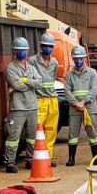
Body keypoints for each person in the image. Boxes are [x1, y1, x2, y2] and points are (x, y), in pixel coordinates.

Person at [4, 37, 41, 173]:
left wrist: (26, 81)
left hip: (32, 106)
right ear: (14, 51)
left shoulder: (31, 67)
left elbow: (39, 82)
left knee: (32, 137)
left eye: (24, 51)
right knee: (13, 137)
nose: (22, 53)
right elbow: (16, 85)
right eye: (19, 51)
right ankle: (9, 163)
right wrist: (29, 83)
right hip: (17, 107)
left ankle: (30, 160)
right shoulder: (10, 68)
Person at [64, 46, 97, 167]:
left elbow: (95, 89)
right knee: (73, 134)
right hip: (74, 108)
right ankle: (71, 159)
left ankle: (96, 158)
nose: (78, 60)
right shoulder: (69, 74)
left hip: (89, 107)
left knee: (92, 133)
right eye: (76, 58)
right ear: (73, 59)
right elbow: (67, 91)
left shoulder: (92, 73)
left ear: (85, 58)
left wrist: (83, 101)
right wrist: (76, 103)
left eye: (80, 58)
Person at [32, 33, 59, 165]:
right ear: (41, 46)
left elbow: (53, 79)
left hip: (52, 99)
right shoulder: (32, 61)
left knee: (51, 130)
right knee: (37, 129)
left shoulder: (54, 62)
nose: (47, 49)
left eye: (50, 46)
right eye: (45, 46)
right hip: (39, 99)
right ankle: (35, 157)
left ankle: (48, 157)